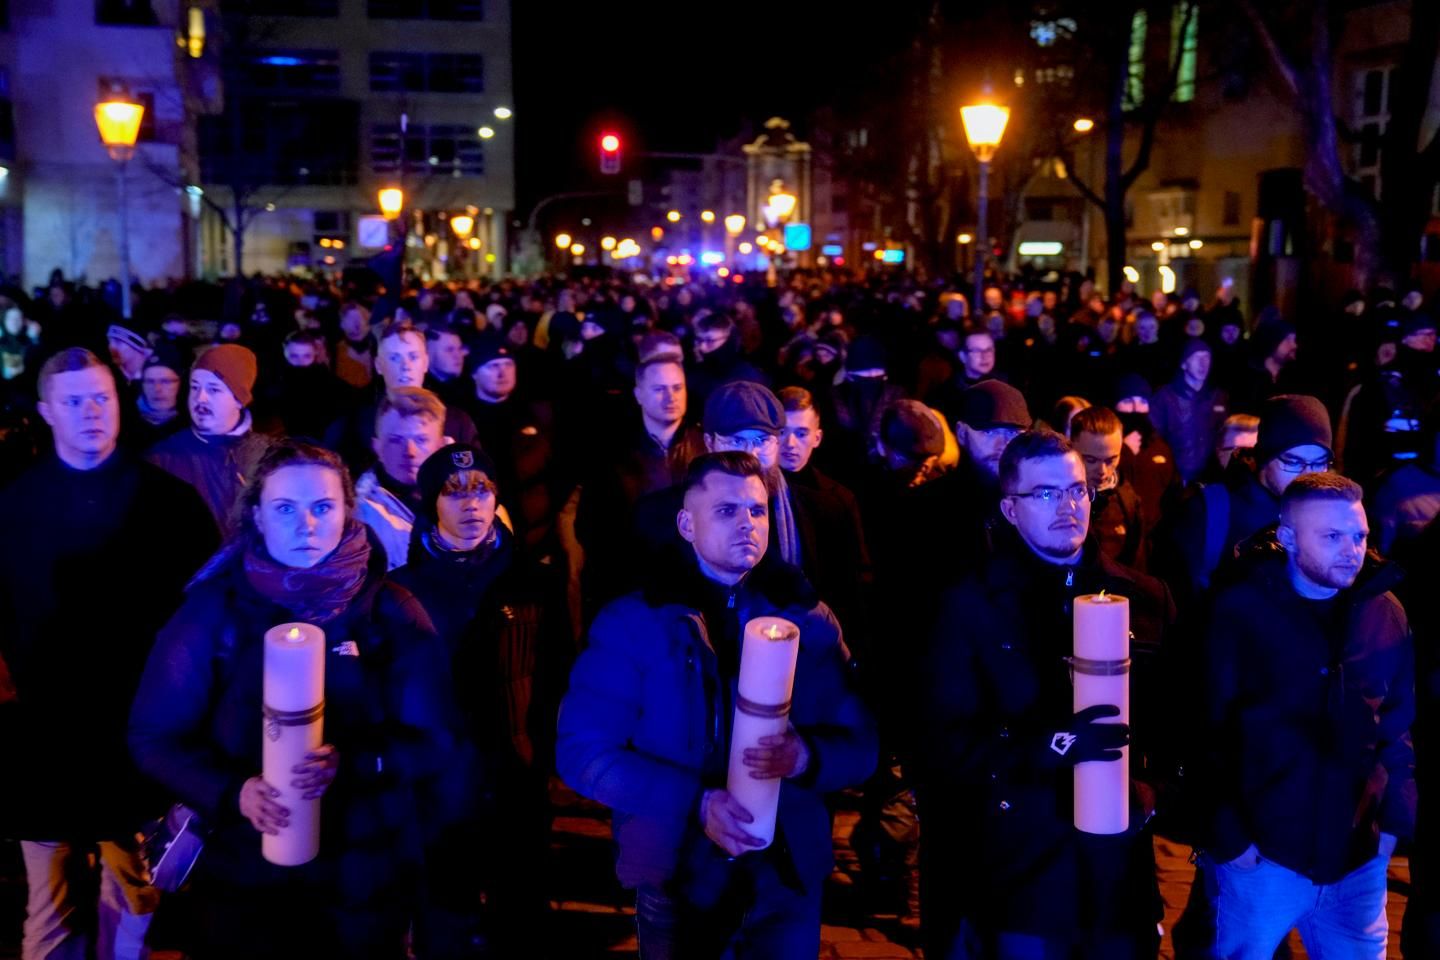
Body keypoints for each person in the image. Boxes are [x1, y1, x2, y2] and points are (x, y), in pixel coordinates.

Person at [128, 440, 454, 960]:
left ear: (347, 510)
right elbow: (153, 736)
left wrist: (358, 763)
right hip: (243, 880)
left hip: (362, 874)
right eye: (285, 508)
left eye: (322, 507)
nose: (306, 525)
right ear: (257, 514)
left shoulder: (388, 609)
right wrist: (234, 792)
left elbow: (435, 738)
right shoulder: (215, 613)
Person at [556, 452, 877, 959]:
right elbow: (583, 753)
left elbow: (861, 743)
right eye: (727, 511)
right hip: (678, 873)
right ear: (687, 523)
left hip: (786, 875)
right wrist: (696, 804)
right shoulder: (636, 623)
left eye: (757, 511)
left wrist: (808, 756)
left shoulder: (808, 619)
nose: (747, 524)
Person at [916, 430, 1174, 959]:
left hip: (1119, 874)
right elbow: (945, 743)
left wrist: (1154, 785)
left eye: (1077, 490)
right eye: (1046, 494)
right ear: (1010, 509)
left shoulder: (1143, 596)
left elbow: (1180, 718)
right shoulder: (972, 606)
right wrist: (1050, 745)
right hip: (1023, 874)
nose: (1068, 507)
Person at [0, 349, 218, 960]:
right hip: (43, 738)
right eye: (74, 401)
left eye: (101, 397)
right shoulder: (15, 507)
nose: (92, 412)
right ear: (46, 411)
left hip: (138, 734)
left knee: (136, 899)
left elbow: (203, 618)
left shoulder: (169, 505)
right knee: (50, 907)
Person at [1201, 472, 1414, 958]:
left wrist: (1389, 834)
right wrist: (1233, 843)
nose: (1352, 549)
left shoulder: (1385, 612)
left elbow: (1398, 726)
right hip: (1265, 856)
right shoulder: (1240, 613)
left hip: (1357, 858)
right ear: (1289, 537)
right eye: (1333, 536)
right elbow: (1207, 731)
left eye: (1359, 535)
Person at [391, 443, 571, 957]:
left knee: (521, 913)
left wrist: (546, 755)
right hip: (436, 782)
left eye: (482, 489)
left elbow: (559, 670)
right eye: (454, 492)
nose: (470, 503)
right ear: (431, 504)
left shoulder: (535, 582)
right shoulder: (401, 590)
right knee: (444, 912)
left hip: (517, 775)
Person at [1162, 394, 1334, 599]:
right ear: (1265, 458)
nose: (1308, 475)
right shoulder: (1209, 512)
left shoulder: (1335, 516)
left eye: (1319, 463)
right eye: (1293, 462)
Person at [576, 355, 705, 608]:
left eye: (677, 388)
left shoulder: (704, 447)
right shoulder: (613, 454)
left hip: (695, 583)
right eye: (659, 389)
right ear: (639, 395)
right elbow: (592, 528)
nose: (671, 397)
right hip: (633, 587)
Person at [146, 343, 273, 537]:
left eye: (213, 390)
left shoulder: (270, 456)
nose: (200, 398)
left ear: (239, 400)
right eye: (195, 387)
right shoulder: (162, 458)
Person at [326, 318, 477, 473]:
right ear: (379, 365)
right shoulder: (352, 424)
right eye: (394, 358)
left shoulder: (457, 421)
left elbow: (478, 481)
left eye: (413, 357)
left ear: (425, 363)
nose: (406, 366)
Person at [354, 387, 448, 570]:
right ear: (377, 447)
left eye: (421, 440)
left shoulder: (472, 498)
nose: (410, 452)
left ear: (441, 445)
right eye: (396, 440)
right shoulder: (359, 515)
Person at [1070, 406, 1150, 570]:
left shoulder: (1128, 502)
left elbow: (1136, 569)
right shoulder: (1055, 498)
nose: (1102, 471)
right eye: (1091, 460)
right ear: (1071, 447)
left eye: (1111, 460)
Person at [1150, 338, 1227, 486]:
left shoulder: (1217, 396)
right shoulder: (1166, 397)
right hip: (1177, 478)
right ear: (1184, 363)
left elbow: (1224, 434)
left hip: (1210, 478)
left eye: (1207, 357)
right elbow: (1154, 437)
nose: (1203, 363)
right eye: (1197, 357)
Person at [131, 343, 187, 449]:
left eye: (166, 381)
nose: (157, 389)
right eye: (150, 382)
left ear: (180, 383)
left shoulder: (190, 426)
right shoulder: (127, 424)